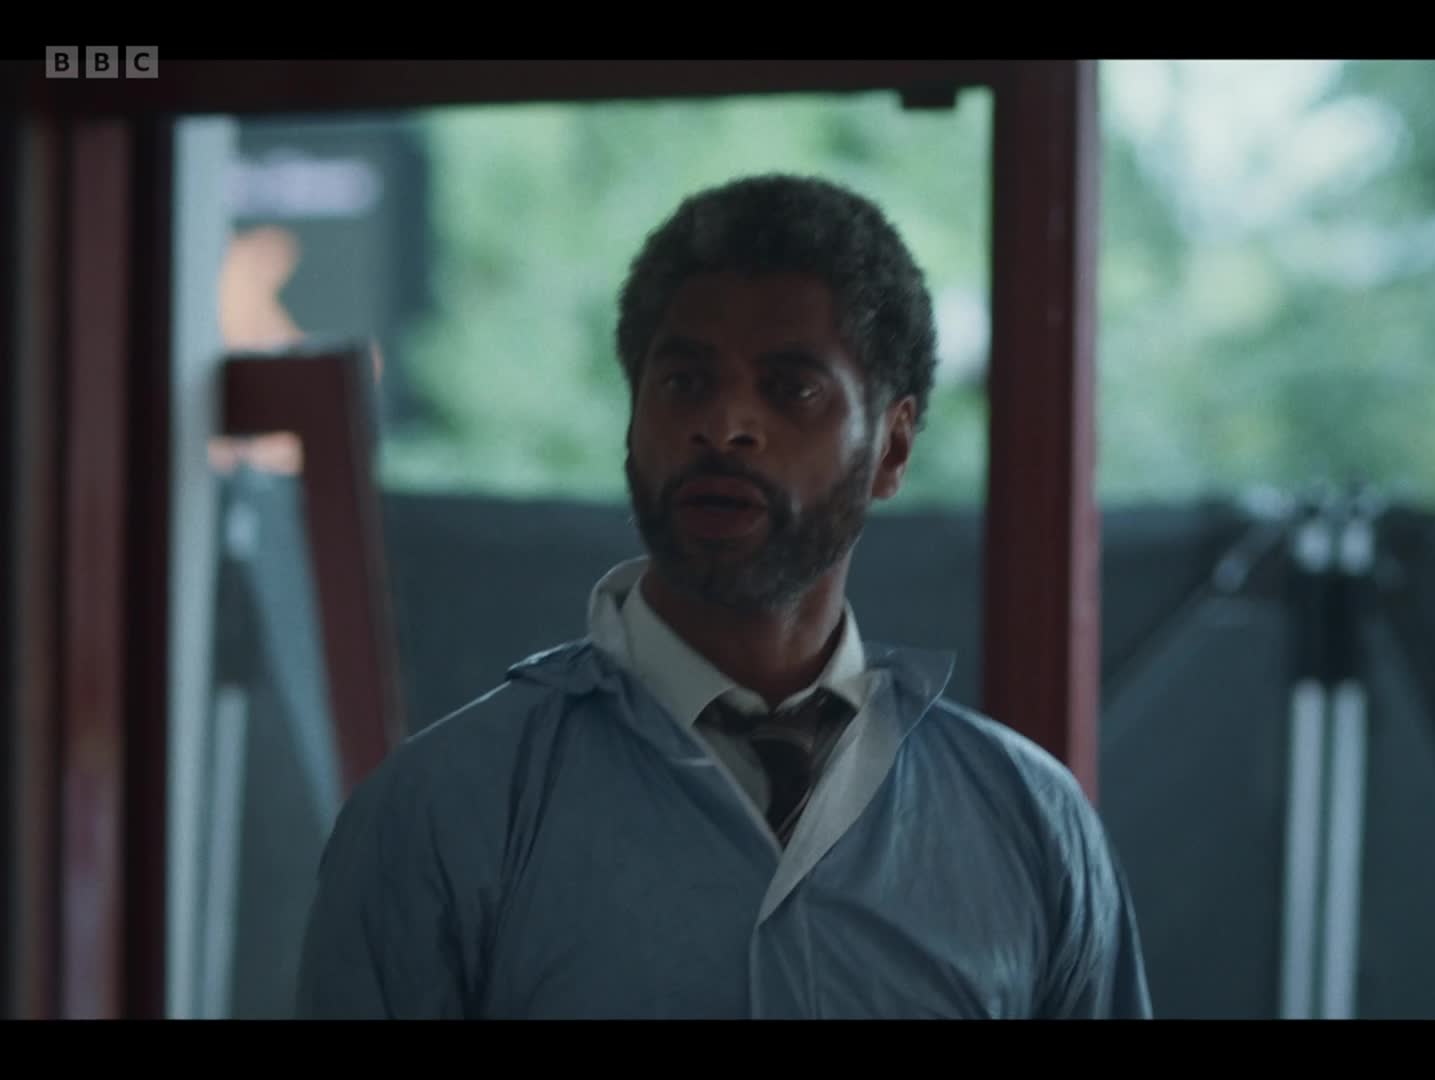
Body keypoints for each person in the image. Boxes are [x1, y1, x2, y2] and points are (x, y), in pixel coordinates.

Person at [292, 173, 1153, 1019]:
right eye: (685, 382)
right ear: (634, 419)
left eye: (791, 388)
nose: (725, 425)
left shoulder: (1028, 823)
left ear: (892, 448)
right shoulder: (446, 812)